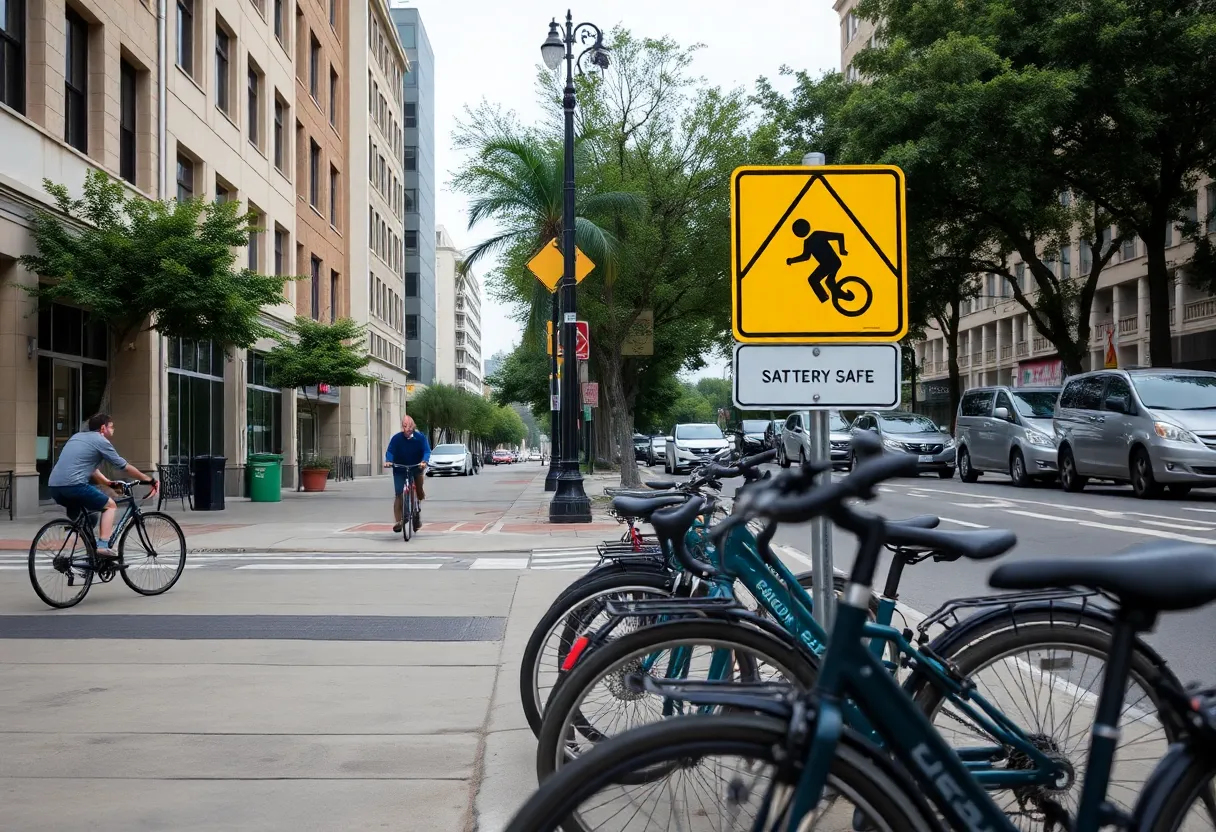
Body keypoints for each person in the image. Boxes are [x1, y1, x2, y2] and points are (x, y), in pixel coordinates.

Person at [47, 413, 157, 556]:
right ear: (103, 428)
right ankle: (103, 547)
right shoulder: (101, 441)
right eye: (111, 427)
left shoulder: (77, 437)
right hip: (75, 486)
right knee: (110, 505)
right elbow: (124, 467)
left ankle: (89, 551)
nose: (114, 429)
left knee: (91, 515)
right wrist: (149, 479)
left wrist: (109, 484)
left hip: (55, 488)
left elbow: (91, 469)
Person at [786, 218, 851, 304]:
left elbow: (839, 236)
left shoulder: (815, 236)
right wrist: (792, 260)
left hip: (830, 263)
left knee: (813, 279)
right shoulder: (810, 240)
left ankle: (824, 297)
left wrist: (842, 250)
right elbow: (805, 257)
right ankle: (840, 294)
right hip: (833, 262)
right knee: (829, 281)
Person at [383, 415, 431, 533]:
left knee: (419, 490)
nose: (407, 430)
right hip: (400, 468)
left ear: (413, 426)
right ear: (402, 426)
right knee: (399, 494)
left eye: (409, 427)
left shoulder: (420, 438)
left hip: (416, 467)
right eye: (404, 427)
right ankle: (399, 521)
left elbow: (426, 450)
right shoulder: (396, 438)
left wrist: (424, 461)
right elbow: (390, 450)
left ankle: (417, 512)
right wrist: (389, 461)